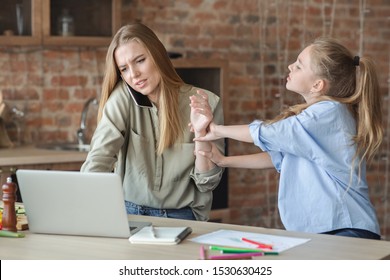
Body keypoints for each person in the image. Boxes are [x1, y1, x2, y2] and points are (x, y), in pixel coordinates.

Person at [191, 37, 383, 239]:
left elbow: (272, 132)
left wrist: (216, 130)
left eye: (299, 66)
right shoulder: (319, 118)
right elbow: (281, 156)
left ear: (318, 84)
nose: (290, 66)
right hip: (328, 231)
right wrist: (223, 161)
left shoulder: (328, 112)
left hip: (345, 230)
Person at [81, 22, 225, 221]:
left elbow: (206, 183)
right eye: (124, 68)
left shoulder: (205, 103)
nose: (134, 74)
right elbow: (99, 158)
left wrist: (200, 135)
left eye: (140, 60)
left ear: (158, 55)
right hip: (129, 214)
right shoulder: (122, 98)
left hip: (183, 216)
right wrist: (81, 209)